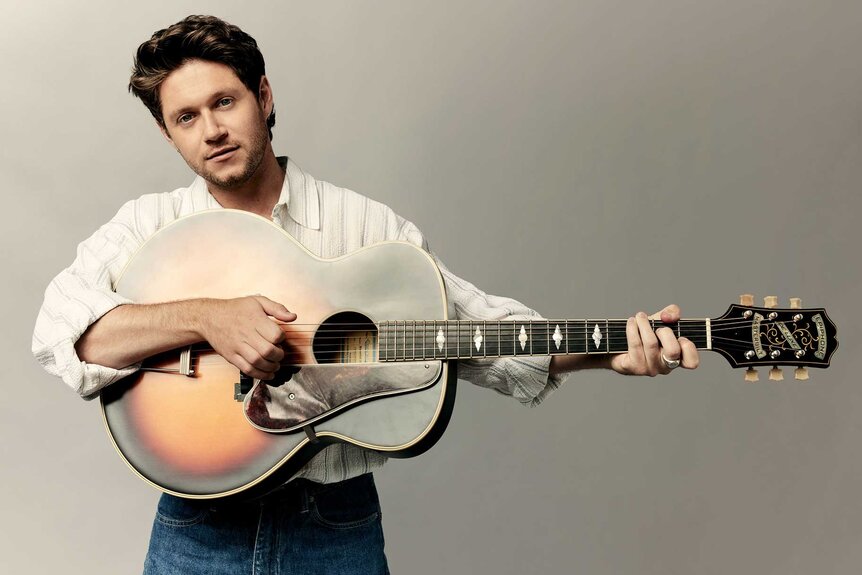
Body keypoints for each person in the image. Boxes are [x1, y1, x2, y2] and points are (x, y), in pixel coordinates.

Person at [32, 15, 699, 575]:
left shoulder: (370, 230)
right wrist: (209, 316)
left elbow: (479, 334)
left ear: (263, 97)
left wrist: (610, 353)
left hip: (335, 529)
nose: (210, 129)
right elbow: (68, 332)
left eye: (225, 102)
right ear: (168, 133)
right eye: (186, 116)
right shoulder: (149, 227)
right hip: (195, 527)